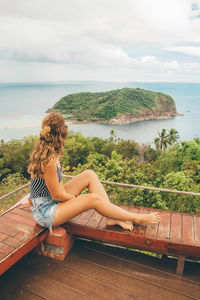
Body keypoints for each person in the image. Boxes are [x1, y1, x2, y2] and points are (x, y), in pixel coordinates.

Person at [28, 112, 160, 233]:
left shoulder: (50, 153)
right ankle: (137, 218)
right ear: (61, 133)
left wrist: (76, 200)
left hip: (50, 201)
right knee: (92, 199)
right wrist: (78, 200)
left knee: (89, 174)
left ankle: (111, 217)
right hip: (46, 213)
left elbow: (54, 190)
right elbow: (57, 195)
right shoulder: (50, 160)